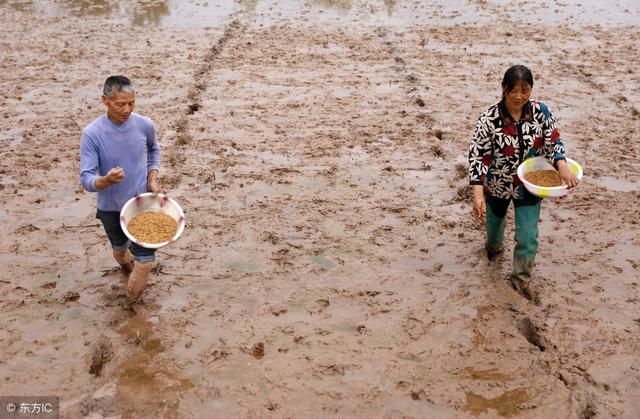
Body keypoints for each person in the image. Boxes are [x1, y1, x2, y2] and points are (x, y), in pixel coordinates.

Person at [468, 64, 579, 297]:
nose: (519, 96)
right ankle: (493, 250)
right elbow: (479, 156)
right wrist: (477, 195)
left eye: (525, 90)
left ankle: (520, 282)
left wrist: (562, 166)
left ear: (531, 90)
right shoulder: (489, 119)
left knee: (527, 237)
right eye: (513, 90)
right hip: (497, 184)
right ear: (503, 88)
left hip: (529, 185)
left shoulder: (541, 112)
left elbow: (553, 143)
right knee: (494, 232)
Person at [80, 75, 161, 301]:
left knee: (145, 263)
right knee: (119, 251)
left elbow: (154, 150)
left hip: (141, 204)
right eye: (120, 104)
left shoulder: (144, 124)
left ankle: (131, 305)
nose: (127, 109)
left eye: (132, 103)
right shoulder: (92, 134)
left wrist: (152, 177)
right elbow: (86, 178)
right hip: (111, 207)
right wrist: (105, 180)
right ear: (105, 100)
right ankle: (126, 266)